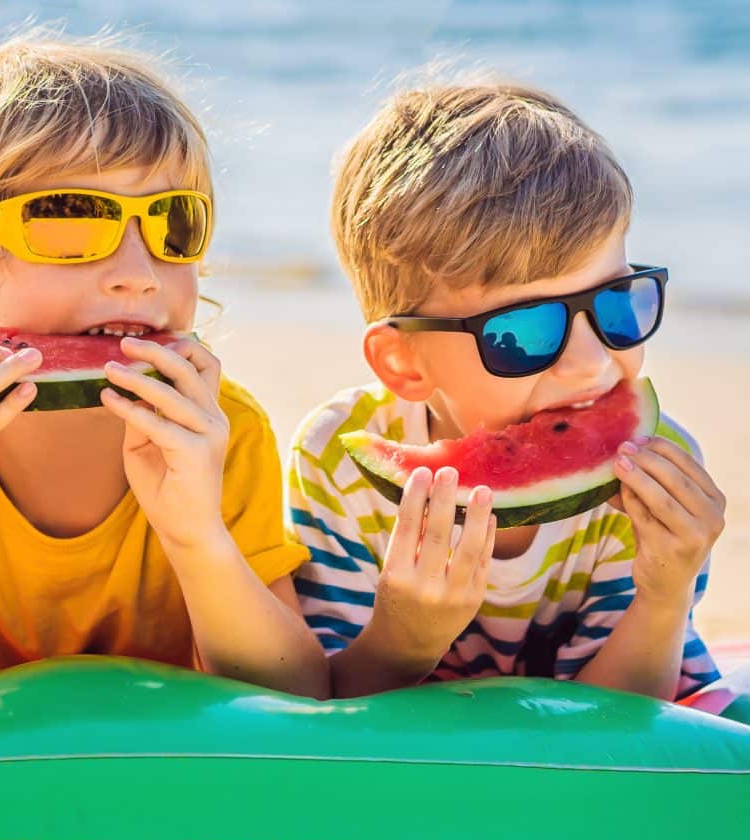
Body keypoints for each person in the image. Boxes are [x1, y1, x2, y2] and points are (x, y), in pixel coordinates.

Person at [0, 34, 326, 712]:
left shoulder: (220, 431)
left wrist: (195, 534)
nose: (139, 277)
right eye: (70, 220)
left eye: (173, 224)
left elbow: (293, 700)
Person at [290, 80, 725, 701]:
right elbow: (326, 699)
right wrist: (403, 639)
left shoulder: (652, 472)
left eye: (618, 303)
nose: (591, 361)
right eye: (523, 331)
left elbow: (625, 727)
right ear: (404, 361)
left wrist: (665, 596)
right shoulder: (339, 460)